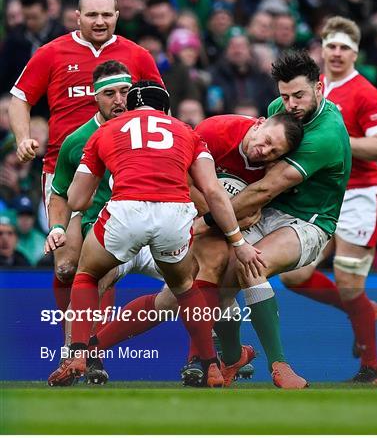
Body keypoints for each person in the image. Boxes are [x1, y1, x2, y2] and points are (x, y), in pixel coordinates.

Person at [47, 81, 263, 388]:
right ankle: (210, 365)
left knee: (87, 274)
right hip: (174, 214)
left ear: (132, 107)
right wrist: (237, 242)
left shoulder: (104, 131)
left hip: (126, 210)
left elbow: (78, 200)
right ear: (165, 109)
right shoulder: (188, 132)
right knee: (186, 287)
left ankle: (78, 353)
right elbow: (213, 192)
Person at [76, 111, 304, 388]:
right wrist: (218, 213)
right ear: (258, 124)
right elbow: (180, 178)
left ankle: (205, 360)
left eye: (272, 151)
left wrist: (223, 218)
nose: (263, 151)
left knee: (184, 295)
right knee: (180, 294)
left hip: (215, 229)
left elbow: (257, 206)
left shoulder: (276, 168)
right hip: (176, 217)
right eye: (266, 140)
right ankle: (223, 357)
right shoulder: (215, 131)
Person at [195, 50, 351, 389]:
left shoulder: (324, 136)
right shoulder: (277, 112)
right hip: (267, 210)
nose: (291, 104)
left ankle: (280, 366)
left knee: (253, 266)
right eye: (285, 96)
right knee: (222, 274)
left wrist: (206, 221)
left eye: (299, 95)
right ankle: (233, 356)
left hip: (309, 221)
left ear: (319, 88)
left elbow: (266, 188)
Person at [8, 0, 163, 327]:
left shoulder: (137, 55)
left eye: (107, 15)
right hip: (65, 171)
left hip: (121, 174)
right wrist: (23, 138)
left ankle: (87, 347)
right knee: (66, 266)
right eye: (92, 15)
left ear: (117, 16)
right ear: (77, 17)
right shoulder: (51, 53)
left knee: (100, 261)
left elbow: (160, 109)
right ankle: (75, 340)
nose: (100, 21)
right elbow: (19, 97)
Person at [280, 17, 377, 384]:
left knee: (348, 281)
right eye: (332, 45)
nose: (338, 53)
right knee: (296, 276)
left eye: (345, 47)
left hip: (360, 194)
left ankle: (371, 369)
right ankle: (361, 310)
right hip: (324, 195)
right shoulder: (311, 90)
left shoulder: (365, 93)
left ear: (356, 52)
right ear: (322, 48)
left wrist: (336, 142)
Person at [44, 59, 163, 384]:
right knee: (77, 270)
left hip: (155, 222)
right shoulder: (77, 140)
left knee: (202, 276)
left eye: (125, 91)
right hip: (100, 223)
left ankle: (208, 358)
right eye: (109, 93)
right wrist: (57, 226)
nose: (119, 100)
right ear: (94, 98)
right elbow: (61, 192)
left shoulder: (156, 131)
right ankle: (78, 355)